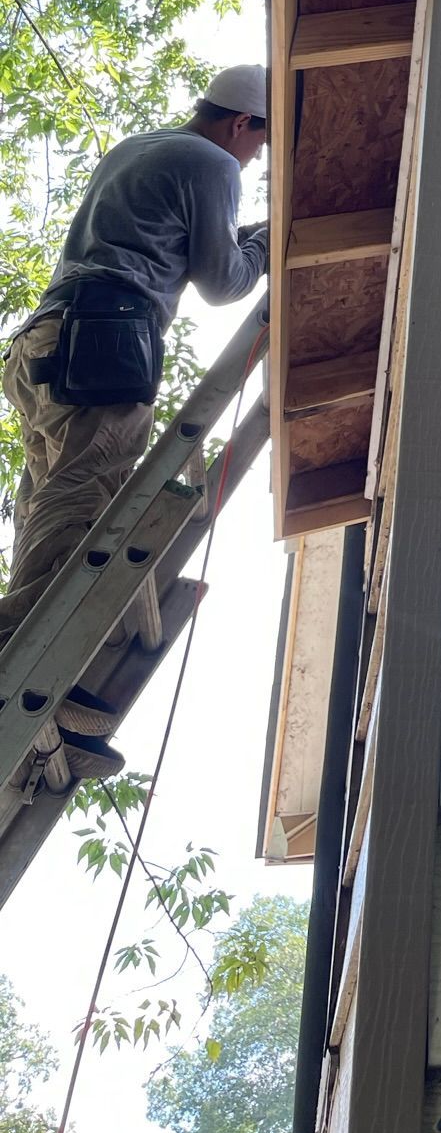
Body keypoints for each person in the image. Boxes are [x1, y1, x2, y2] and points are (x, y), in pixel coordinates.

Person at [0, 65, 270, 777]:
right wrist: (269, 243)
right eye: (260, 143)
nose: (255, 159)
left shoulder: (143, 146)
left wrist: (243, 236)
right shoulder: (213, 162)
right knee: (85, 504)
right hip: (102, 343)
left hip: (48, 341)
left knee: (51, 505)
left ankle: (39, 677)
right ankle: (20, 659)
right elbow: (224, 282)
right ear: (241, 122)